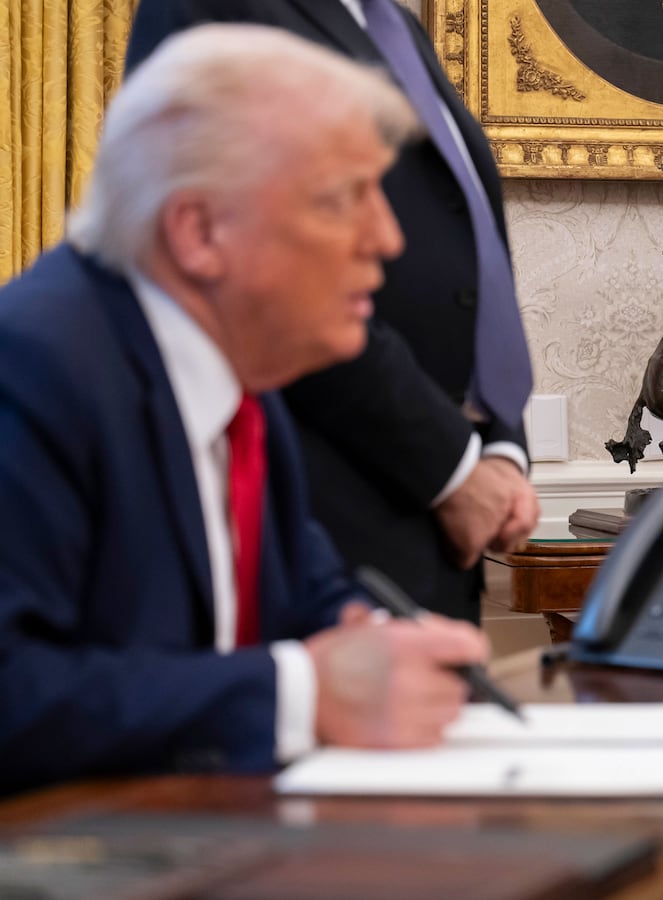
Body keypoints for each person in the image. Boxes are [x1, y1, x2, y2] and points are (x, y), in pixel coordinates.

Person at [0, 25, 490, 795]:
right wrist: (302, 694)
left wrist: (380, 641)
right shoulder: (32, 365)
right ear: (199, 232)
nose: (386, 238)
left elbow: (306, 593)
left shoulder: (239, 380)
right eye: (344, 200)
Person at [126, 0, 540, 624]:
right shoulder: (210, 7)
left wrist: (501, 449)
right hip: (329, 514)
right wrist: (452, 470)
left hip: (450, 525)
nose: (383, 237)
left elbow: (470, 248)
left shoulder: (392, 22)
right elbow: (267, 276)